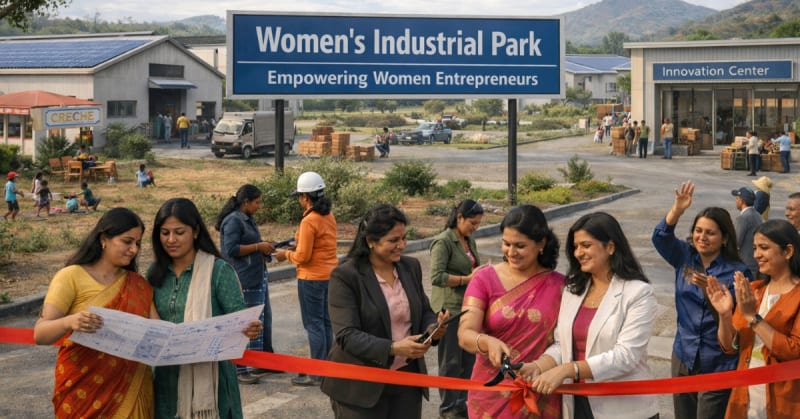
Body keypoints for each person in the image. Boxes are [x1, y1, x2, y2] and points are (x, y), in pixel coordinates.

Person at [321, 204, 447, 419]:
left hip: (406, 380)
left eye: (404, 238)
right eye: (393, 240)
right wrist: (394, 347)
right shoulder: (346, 276)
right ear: (370, 241)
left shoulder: (410, 267)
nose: (402, 245)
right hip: (360, 387)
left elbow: (424, 309)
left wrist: (432, 328)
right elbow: (347, 335)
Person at [531, 212, 659, 419]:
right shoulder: (573, 289)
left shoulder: (638, 293)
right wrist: (538, 366)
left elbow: (626, 356)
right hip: (577, 403)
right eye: (575, 246)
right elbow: (561, 344)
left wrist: (567, 370)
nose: (578, 253)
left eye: (586, 245)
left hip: (622, 409)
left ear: (610, 247)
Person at [33, 207, 156, 418]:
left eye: (138, 243)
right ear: (104, 239)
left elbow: (156, 333)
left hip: (131, 389)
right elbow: (40, 334)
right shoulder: (70, 276)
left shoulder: (138, 285)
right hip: (83, 392)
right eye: (127, 241)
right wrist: (69, 322)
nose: (134, 249)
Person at [147, 198, 262, 419]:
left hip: (211, 383)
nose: (171, 240)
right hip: (165, 380)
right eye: (165, 233)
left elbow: (239, 322)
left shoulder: (218, 272)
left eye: (179, 232)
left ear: (196, 231)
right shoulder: (154, 273)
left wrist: (249, 329)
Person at [652, 180, 752, 419]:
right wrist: (677, 210)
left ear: (725, 238)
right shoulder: (684, 257)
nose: (702, 237)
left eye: (710, 232)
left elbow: (741, 323)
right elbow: (660, 237)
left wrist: (713, 297)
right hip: (684, 353)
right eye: (698, 231)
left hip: (718, 361)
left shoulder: (737, 272)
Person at [457, 204, 564, 418]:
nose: (511, 252)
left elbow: (565, 342)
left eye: (520, 246)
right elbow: (464, 333)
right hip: (491, 392)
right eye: (506, 244)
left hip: (540, 388)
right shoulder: (484, 278)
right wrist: (488, 342)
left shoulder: (560, 286)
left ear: (541, 244)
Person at [706, 219, 800, 418]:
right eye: (755, 248)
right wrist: (724, 314)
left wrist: (753, 317)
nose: (757, 254)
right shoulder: (754, 290)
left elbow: (793, 351)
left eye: (764, 248)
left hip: (786, 400)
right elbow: (731, 346)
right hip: (745, 398)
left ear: (788, 251)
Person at [274, 172, 337, 387]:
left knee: (314, 324)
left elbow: (303, 257)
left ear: (306, 197)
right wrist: (296, 246)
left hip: (311, 278)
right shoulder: (328, 215)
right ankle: (327, 368)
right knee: (326, 322)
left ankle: (317, 373)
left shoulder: (309, 220)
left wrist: (285, 254)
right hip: (329, 275)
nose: (299, 200)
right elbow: (317, 246)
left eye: (300, 196)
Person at [429, 199, 484, 419]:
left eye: (478, 224)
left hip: (469, 308)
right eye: (472, 222)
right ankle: (447, 407)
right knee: (450, 361)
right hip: (450, 310)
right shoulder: (443, 242)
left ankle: (462, 402)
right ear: (459, 218)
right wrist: (467, 279)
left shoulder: (469, 240)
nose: (475, 227)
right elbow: (436, 276)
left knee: (468, 360)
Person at [215, 184, 276, 384]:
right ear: (246, 202)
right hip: (244, 277)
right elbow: (230, 249)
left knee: (260, 321)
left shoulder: (247, 218)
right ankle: (242, 369)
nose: (259, 206)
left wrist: (264, 247)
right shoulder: (233, 221)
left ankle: (260, 362)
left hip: (257, 274)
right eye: (257, 202)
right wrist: (258, 246)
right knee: (246, 324)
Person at [731, 187, 762, 276]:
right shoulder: (757, 215)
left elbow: (736, 242)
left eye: (737, 199)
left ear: (742, 201)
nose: (736, 201)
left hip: (746, 264)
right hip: (755, 262)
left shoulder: (743, 218)